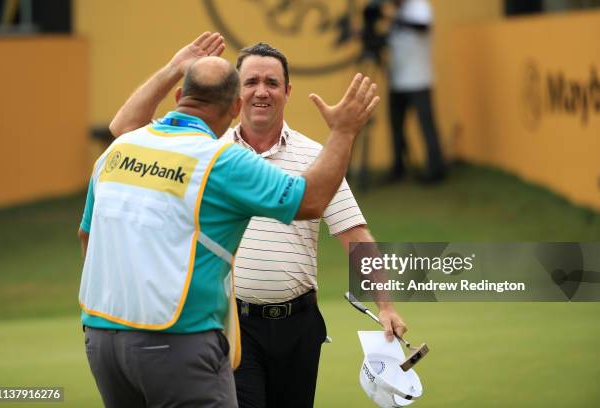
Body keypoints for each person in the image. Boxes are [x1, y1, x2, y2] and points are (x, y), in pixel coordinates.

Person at [78, 32, 380, 408]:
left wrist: (386, 303)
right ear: (236, 103)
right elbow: (312, 199)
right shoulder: (217, 155)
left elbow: (89, 226)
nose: (261, 91)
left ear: (287, 91)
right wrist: (345, 132)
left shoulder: (120, 154)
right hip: (206, 329)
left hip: (107, 333)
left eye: (271, 82)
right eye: (251, 81)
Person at [386, 0, 446, 182]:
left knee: (426, 125)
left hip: (418, 79)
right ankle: (399, 166)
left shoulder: (419, 6)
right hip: (397, 80)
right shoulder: (396, 13)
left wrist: (397, 21)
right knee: (396, 126)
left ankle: (436, 169)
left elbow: (423, 26)